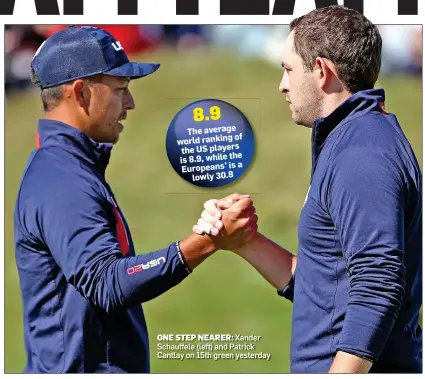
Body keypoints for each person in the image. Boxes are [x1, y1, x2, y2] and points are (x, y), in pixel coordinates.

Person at [13, 25, 258, 373]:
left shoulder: (68, 168)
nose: (130, 103)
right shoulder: (62, 178)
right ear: (80, 93)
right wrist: (205, 242)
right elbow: (106, 282)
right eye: (120, 89)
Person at [194, 6, 422, 374]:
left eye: (288, 69)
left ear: (321, 70)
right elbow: (327, 292)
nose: (282, 84)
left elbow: (377, 285)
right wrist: (245, 242)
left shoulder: (362, 154)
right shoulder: (352, 139)